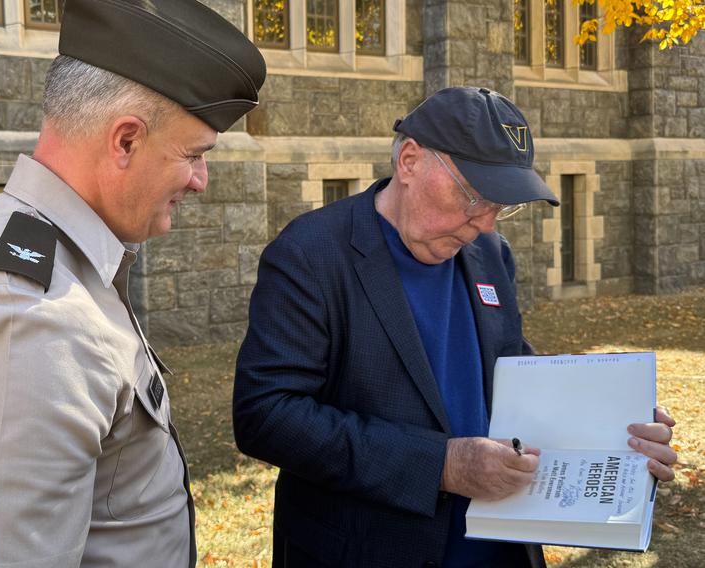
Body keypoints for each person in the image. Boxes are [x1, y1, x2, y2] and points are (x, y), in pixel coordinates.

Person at [0, 1, 265, 566]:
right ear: (126, 141)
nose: (201, 181)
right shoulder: (25, 326)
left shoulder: (59, 258)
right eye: (193, 155)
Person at [232, 87, 677, 568]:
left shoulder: (490, 255)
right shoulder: (311, 253)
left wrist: (616, 430)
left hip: (501, 550)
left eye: (500, 206)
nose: (484, 224)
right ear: (409, 161)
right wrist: (441, 465)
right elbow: (267, 416)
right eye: (472, 197)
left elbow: (511, 375)